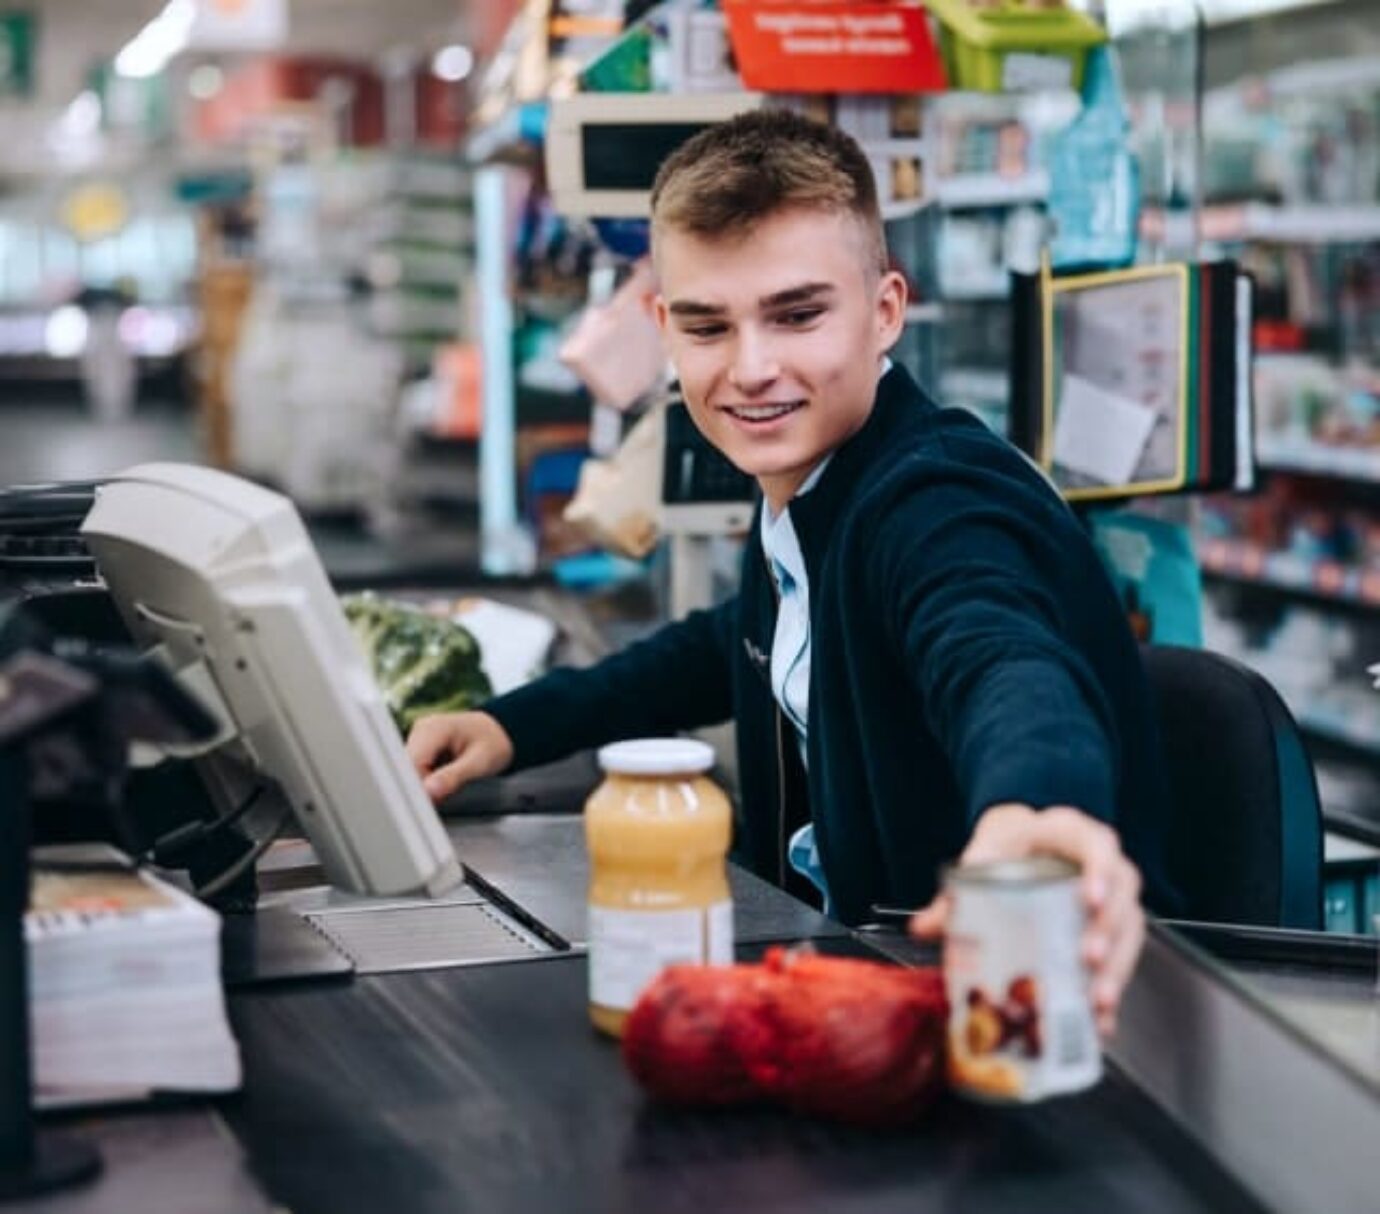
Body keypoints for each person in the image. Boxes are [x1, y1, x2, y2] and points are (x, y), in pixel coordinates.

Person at [408, 110, 1177, 1036]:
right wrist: (510, 726)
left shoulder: (932, 499)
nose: (751, 370)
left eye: (797, 313)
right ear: (663, 329)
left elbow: (997, 651)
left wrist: (1037, 812)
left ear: (886, 309)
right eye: (707, 327)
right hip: (892, 996)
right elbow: (732, 635)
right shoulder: (810, 483)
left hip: (1053, 1015)